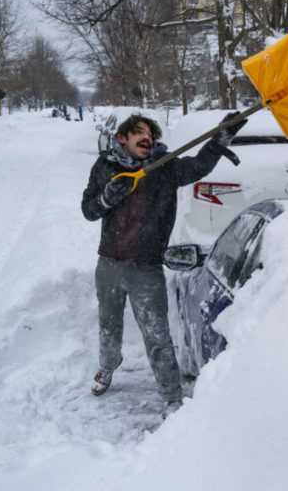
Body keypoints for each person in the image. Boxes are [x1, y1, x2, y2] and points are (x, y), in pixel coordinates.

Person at [81, 112, 246, 412]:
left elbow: (198, 166)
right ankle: (107, 367)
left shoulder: (164, 168)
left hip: (146, 267)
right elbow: (89, 210)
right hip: (109, 264)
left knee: (157, 335)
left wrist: (222, 138)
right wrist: (107, 197)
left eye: (151, 135)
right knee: (109, 325)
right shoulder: (105, 167)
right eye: (139, 133)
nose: (147, 138)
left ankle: (171, 394)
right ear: (122, 138)